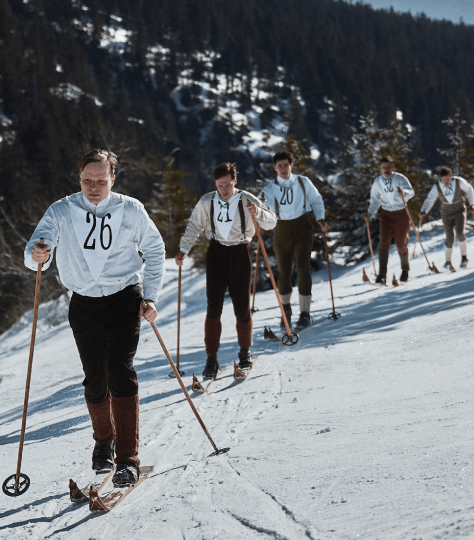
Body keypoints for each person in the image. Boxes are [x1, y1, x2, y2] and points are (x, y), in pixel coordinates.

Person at [24, 149, 165, 487]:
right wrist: (37, 254)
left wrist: (151, 297)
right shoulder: (61, 210)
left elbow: (156, 249)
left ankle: (127, 459)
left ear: (112, 179)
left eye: (101, 181)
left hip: (124, 298)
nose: (93, 187)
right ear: (79, 179)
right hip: (83, 303)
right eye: (87, 180)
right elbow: (35, 254)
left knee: (120, 370)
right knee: (94, 378)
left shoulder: (131, 209)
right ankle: (104, 439)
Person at [175, 163, 276, 378]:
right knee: (214, 307)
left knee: (242, 306)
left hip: (240, 253)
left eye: (228, 185)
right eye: (220, 185)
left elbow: (271, 222)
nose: (224, 189)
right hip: (216, 254)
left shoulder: (246, 198)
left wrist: (257, 212)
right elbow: (194, 225)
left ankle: (245, 352)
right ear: (215, 184)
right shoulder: (207, 201)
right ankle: (211, 358)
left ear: (235, 181)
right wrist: (183, 249)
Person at [258, 151, 326, 330]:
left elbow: (316, 199)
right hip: (282, 231)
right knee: (283, 272)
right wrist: (259, 212)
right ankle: (285, 311)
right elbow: (260, 207)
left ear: (291, 166)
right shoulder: (270, 189)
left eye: (285, 165)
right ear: (274, 168)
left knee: (303, 268)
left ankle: (305, 314)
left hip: (303, 228)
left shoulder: (303, 182)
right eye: (279, 166)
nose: (282, 169)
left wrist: (320, 218)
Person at [363, 156, 415, 284]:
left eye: (388, 167)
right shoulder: (377, 182)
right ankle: (382, 275)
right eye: (383, 168)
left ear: (393, 167)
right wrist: (370, 213)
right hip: (386, 215)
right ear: (381, 168)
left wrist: (404, 194)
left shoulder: (399, 178)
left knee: (400, 244)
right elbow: (375, 200)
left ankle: (405, 270)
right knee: (384, 243)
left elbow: (411, 191)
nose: (386, 170)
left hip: (401, 213)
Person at [419, 167, 474, 271]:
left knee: (460, 234)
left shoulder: (459, 182)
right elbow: (430, 199)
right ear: (440, 178)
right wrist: (424, 211)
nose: (445, 182)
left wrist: (472, 204)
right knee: (449, 238)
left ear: (451, 177)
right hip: (446, 213)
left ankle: (464, 258)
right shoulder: (437, 187)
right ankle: (447, 262)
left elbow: (469, 190)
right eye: (443, 179)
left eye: (448, 179)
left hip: (459, 211)